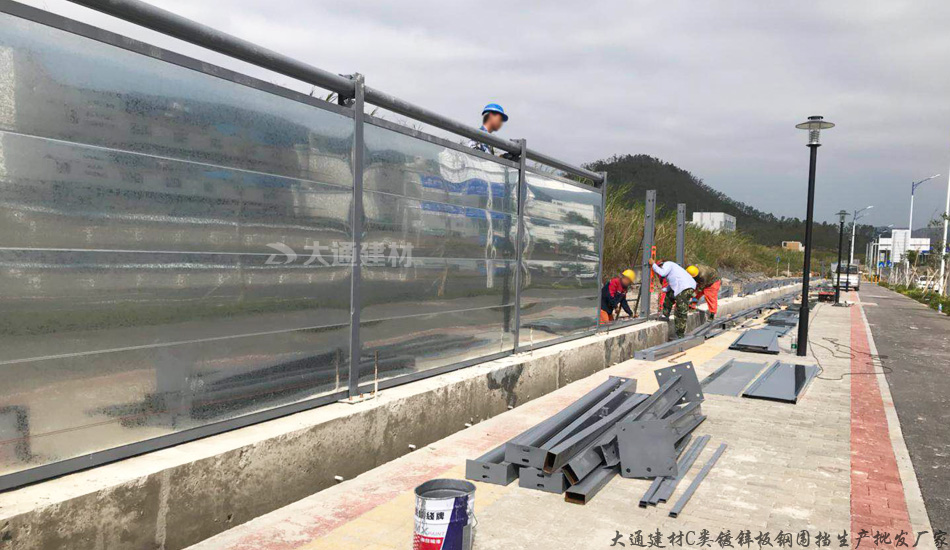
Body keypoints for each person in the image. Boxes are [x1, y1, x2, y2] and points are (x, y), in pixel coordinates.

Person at [649, 259, 696, 338]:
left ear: (661, 265)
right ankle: (665, 315)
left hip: (685, 288)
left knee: (680, 311)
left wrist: (653, 264)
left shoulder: (668, 264)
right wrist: (663, 290)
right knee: (669, 296)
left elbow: (662, 273)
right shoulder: (673, 270)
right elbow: (672, 285)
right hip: (683, 287)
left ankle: (680, 334)